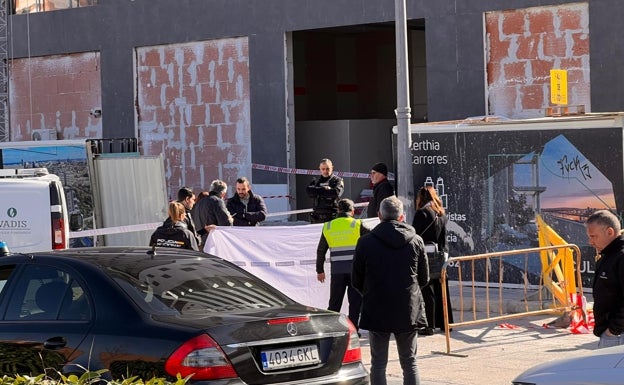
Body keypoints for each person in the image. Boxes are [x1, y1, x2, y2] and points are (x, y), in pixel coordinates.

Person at [352, 196, 429, 385]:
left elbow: (356, 280)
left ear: (379, 216)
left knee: (378, 363)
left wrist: (370, 292)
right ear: (402, 217)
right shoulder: (416, 241)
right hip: (407, 307)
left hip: (377, 307)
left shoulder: (365, 242)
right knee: (410, 362)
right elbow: (424, 278)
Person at [316, 198, 370, 330]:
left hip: (337, 272)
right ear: (352, 211)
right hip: (355, 272)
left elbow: (321, 250)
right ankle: (353, 331)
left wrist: (320, 271)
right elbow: (373, 239)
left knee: (334, 303)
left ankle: (331, 330)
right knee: (355, 303)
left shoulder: (328, 226)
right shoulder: (358, 224)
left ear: (338, 210)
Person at [412, 185, 454, 336]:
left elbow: (414, 236)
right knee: (442, 288)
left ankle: (429, 325)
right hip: (440, 256)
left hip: (425, 256)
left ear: (421, 198)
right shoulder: (441, 214)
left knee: (426, 289)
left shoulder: (421, 213)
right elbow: (444, 238)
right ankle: (446, 323)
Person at [585, 209, 624, 348]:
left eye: (593, 236)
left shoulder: (621, 257)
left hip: (617, 336)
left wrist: (613, 330)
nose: (590, 242)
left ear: (609, 232)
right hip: (611, 334)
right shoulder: (606, 257)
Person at [192, 179, 233, 247]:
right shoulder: (218, 201)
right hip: (213, 243)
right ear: (223, 193)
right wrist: (230, 219)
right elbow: (226, 225)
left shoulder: (200, 202)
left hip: (199, 242)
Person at [306, 158, 344, 223]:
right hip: (317, 217)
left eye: (328, 169)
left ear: (332, 168)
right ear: (319, 169)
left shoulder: (337, 180)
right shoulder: (316, 181)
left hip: (332, 216)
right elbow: (309, 191)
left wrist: (317, 191)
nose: (325, 171)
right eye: (323, 169)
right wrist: (324, 189)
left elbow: (336, 192)